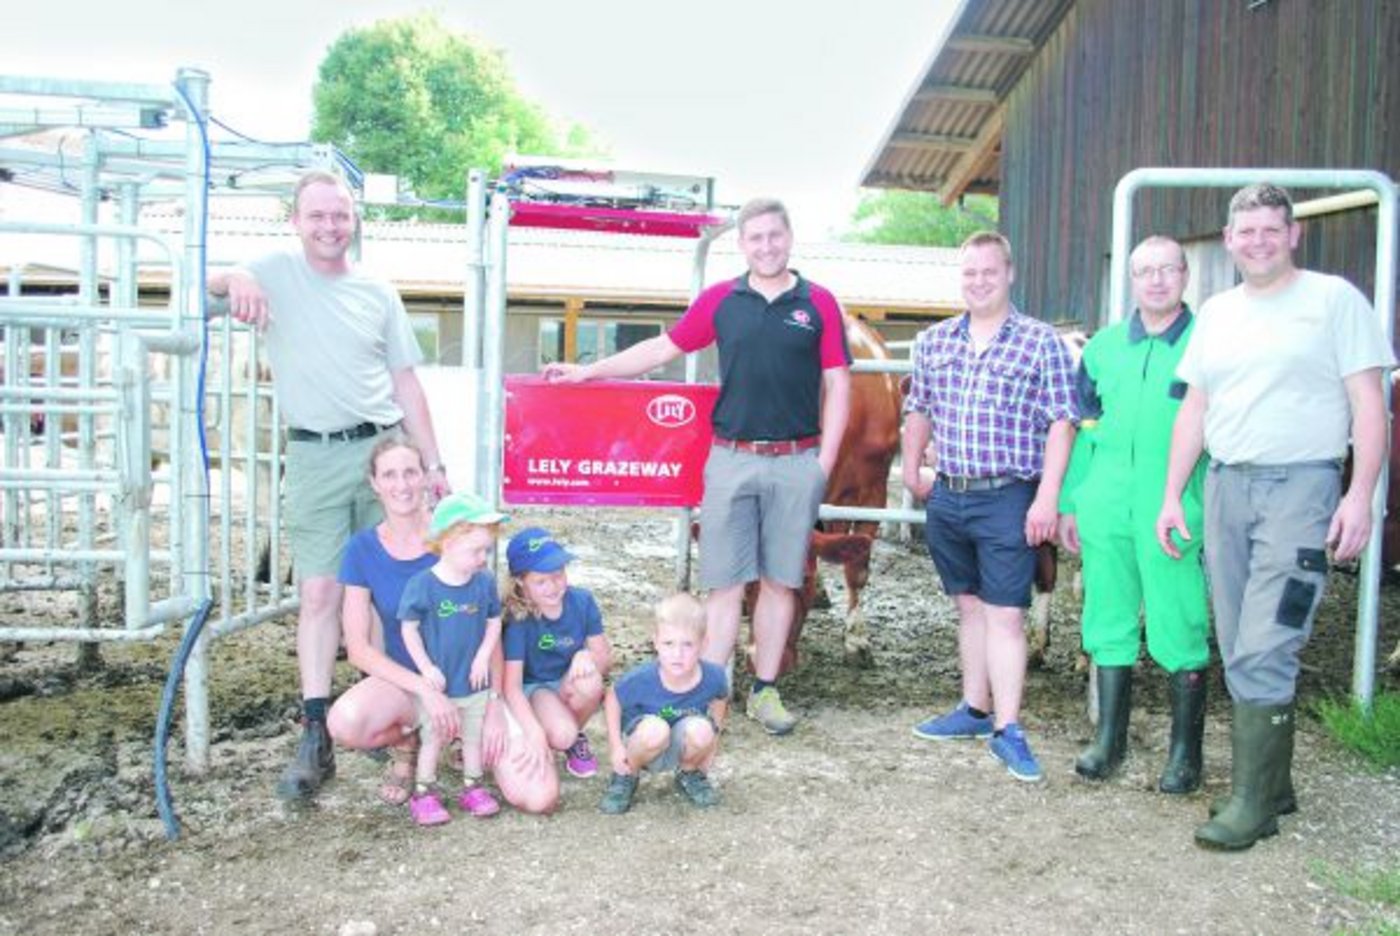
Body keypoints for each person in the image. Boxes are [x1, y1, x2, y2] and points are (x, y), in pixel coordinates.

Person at [543, 198, 851, 736]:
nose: (766, 246)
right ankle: (713, 691)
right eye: (755, 238)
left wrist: (821, 464)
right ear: (742, 244)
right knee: (726, 586)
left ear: (790, 237)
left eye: (774, 236)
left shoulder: (820, 304)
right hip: (732, 458)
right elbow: (661, 348)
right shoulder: (721, 301)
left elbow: (839, 384)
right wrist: (588, 372)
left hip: (795, 460)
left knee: (781, 583)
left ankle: (766, 689)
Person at [1156, 183, 1394, 850]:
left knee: (1269, 638)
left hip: (1302, 489)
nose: (1257, 241)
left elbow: (1369, 404)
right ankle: (1276, 785)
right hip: (1229, 487)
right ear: (1229, 242)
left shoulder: (1333, 301)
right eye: (1245, 231)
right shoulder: (1220, 314)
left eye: (1270, 229)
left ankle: (1251, 803)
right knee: (1238, 642)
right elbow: (1195, 409)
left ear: (1293, 235)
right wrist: (1174, 494)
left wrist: (1360, 494)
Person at [208, 170, 450, 801]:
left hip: (381, 446)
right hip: (313, 452)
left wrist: (433, 463)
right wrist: (234, 279)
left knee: (390, 585)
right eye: (317, 216)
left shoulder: (377, 290)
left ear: (354, 220)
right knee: (318, 592)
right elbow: (209, 279)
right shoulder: (276, 269)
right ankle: (316, 729)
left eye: (340, 215)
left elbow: (406, 383)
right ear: (296, 220)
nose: (329, 226)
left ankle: (403, 719)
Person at [901, 230, 1076, 783]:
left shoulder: (1041, 342)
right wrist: (910, 472)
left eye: (989, 272)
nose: (979, 282)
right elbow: (920, 408)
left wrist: (1048, 496)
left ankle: (1008, 728)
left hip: (1009, 494)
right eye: (970, 273)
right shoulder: (934, 341)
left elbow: (1061, 422)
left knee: (1006, 614)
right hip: (950, 492)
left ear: (1010, 273)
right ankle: (974, 710)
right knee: (970, 607)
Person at [325, 437, 558, 815]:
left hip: (473, 686)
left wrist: (496, 703)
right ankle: (409, 745)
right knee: (347, 722)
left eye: (410, 473)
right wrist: (424, 688)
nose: (401, 485)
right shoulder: (361, 549)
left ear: (425, 477)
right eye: (389, 475)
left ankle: (459, 741)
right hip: (412, 683)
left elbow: (490, 630)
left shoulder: (458, 534)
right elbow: (359, 648)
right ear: (374, 483)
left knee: (539, 796)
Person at [1057, 236, 1210, 791]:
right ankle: (1109, 741)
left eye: (1167, 270)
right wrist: (1074, 499)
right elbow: (1084, 428)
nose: (1156, 281)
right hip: (1105, 501)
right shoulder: (1102, 349)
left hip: (1171, 503)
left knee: (1179, 619)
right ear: (1131, 279)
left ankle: (1185, 753)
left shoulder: (1205, 343)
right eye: (1145, 271)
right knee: (1106, 616)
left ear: (1184, 275)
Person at [396, 493, 508, 826]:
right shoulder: (423, 585)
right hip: (441, 684)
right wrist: (426, 667)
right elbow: (409, 629)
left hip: (473, 681)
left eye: (486, 550)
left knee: (472, 737)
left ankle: (473, 786)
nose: (482, 559)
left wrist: (483, 656)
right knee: (435, 738)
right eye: (476, 551)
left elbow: (493, 621)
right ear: (447, 542)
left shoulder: (484, 583)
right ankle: (423, 791)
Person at [598, 592, 729, 814]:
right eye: (669, 643)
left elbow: (720, 698)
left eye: (688, 644)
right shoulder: (642, 678)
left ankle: (688, 772)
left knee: (703, 730)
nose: (677, 654)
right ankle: (626, 775)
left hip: (679, 740)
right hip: (645, 741)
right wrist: (616, 746)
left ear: (703, 644)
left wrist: (712, 742)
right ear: (656, 642)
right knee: (655, 730)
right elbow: (613, 698)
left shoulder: (713, 676)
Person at [501, 526, 613, 780]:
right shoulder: (519, 618)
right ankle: (558, 733)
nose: (553, 587)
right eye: (541, 581)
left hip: (566, 682)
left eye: (558, 574)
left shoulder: (582, 601)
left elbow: (605, 660)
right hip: (535, 688)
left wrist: (585, 655)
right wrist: (534, 733)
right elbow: (512, 687)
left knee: (591, 680)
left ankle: (575, 735)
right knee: (562, 733)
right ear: (520, 580)